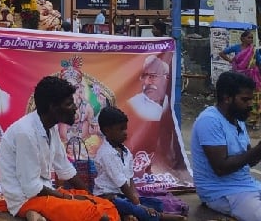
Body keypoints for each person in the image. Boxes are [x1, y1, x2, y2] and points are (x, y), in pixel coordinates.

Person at [0, 75, 119, 220]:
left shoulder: (50, 129)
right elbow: (31, 188)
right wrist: (70, 199)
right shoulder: (25, 133)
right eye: (69, 104)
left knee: (105, 205)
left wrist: (90, 196)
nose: (75, 108)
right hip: (26, 201)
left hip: (45, 194)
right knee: (93, 212)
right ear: (53, 107)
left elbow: (65, 168)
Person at [95, 106, 186, 220]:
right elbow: (122, 184)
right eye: (121, 129)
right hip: (108, 197)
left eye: (125, 129)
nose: (125, 133)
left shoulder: (126, 151)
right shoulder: (106, 154)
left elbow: (130, 179)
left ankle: (128, 216)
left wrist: (136, 198)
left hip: (124, 195)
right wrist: (138, 205)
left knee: (156, 204)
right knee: (133, 207)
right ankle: (161, 217)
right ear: (107, 131)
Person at [191, 71, 261, 220]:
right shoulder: (209, 120)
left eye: (251, 99)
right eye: (245, 100)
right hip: (221, 193)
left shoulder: (237, 118)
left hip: (247, 186)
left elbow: (250, 160)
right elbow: (221, 168)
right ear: (227, 98)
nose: (250, 105)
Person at [127, 55, 170, 121]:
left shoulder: (171, 102)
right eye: (144, 76)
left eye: (153, 76)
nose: (146, 82)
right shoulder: (133, 104)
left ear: (166, 78)